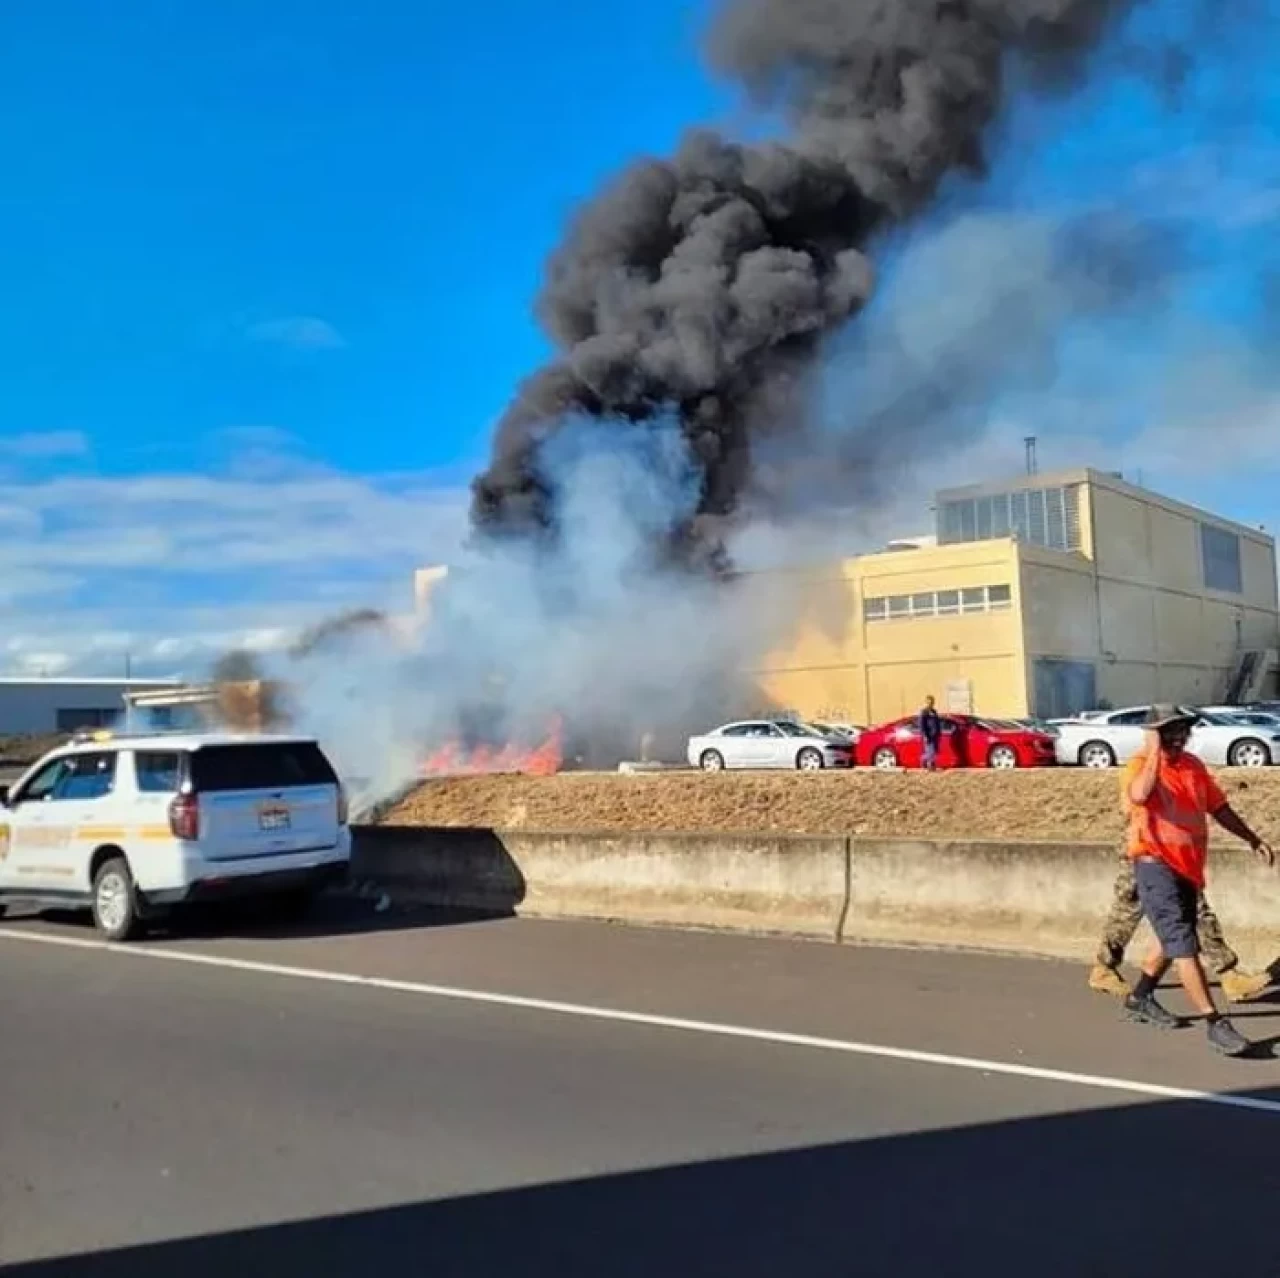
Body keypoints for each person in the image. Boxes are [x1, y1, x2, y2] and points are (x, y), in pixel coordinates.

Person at [1120, 705, 1274, 1057]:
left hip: (1187, 868)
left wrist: (1252, 838)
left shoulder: (1192, 766)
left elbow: (1218, 807)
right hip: (1154, 864)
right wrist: (1155, 752)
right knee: (1184, 945)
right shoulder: (1139, 767)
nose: (1178, 739)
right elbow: (1140, 796)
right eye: (1169, 733)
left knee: (1174, 937)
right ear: (1155, 735)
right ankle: (1215, 1023)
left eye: (1181, 732)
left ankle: (1139, 997)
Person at [1087, 851, 1271, 1002]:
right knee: (1190, 908)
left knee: (1132, 906)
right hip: (1149, 844)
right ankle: (1227, 975)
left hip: (1169, 844)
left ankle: (1104, 967)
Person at [918, 695, 942, 771]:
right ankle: (927, 763)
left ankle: (929, 764)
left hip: (935, 735)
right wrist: (925, 735)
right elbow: (922, 724)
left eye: (932, 702)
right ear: (926, 703)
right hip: (928, 735)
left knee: (934, 751)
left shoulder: (934, 711)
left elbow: (937, 722)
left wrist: (939, 732)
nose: (930, 704)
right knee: (931, 751)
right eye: (929, 702)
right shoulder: (924, 712)